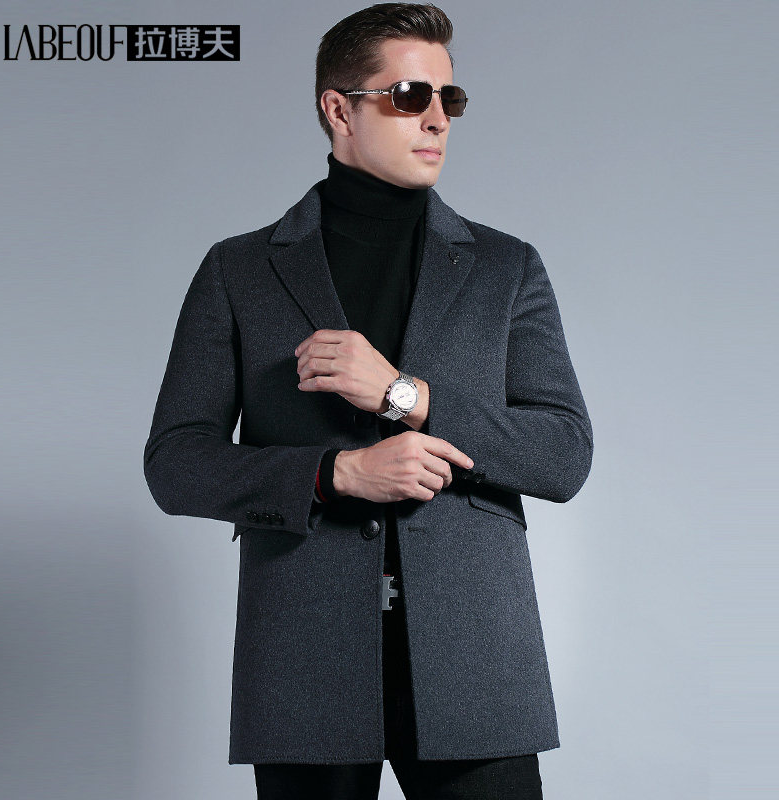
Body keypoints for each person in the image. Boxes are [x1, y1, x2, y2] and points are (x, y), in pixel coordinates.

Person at [143, 3, 593, 798]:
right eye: (409, 96)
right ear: (339, 108)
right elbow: (176, 464)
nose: (437, 119)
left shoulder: (505, 267)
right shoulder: (239, 271)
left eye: (449, 99)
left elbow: (563, 453)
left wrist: (402, 394)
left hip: (473, 661)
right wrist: (334, 474)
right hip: (304, 661)